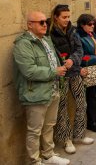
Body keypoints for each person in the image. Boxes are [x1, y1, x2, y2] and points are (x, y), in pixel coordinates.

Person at [13, 11, 70, 165]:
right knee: (34, 131)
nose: (45, 24)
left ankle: (48, 155)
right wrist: (55, 71)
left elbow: (52, 61)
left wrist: (61, 67)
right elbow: (29, 71)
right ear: (29, 25)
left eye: (45, 21)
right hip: (35, 93)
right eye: (41, 22)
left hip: (53, 89)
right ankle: (34, 161)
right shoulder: (23, 44)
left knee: (49, 126)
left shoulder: (46, 39)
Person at [48, 4, 93, 154]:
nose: (67, 20)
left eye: (69, 16)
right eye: (64, 17)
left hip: (74, 72)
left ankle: (79, 135)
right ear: (56, 17)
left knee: (82, 103)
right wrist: (62, 64)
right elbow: (51, 54)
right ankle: (66, 140)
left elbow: (79, 49)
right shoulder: (50, 33)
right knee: (62, 109)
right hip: (61, 76)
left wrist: (73, 60)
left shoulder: (73, 30)